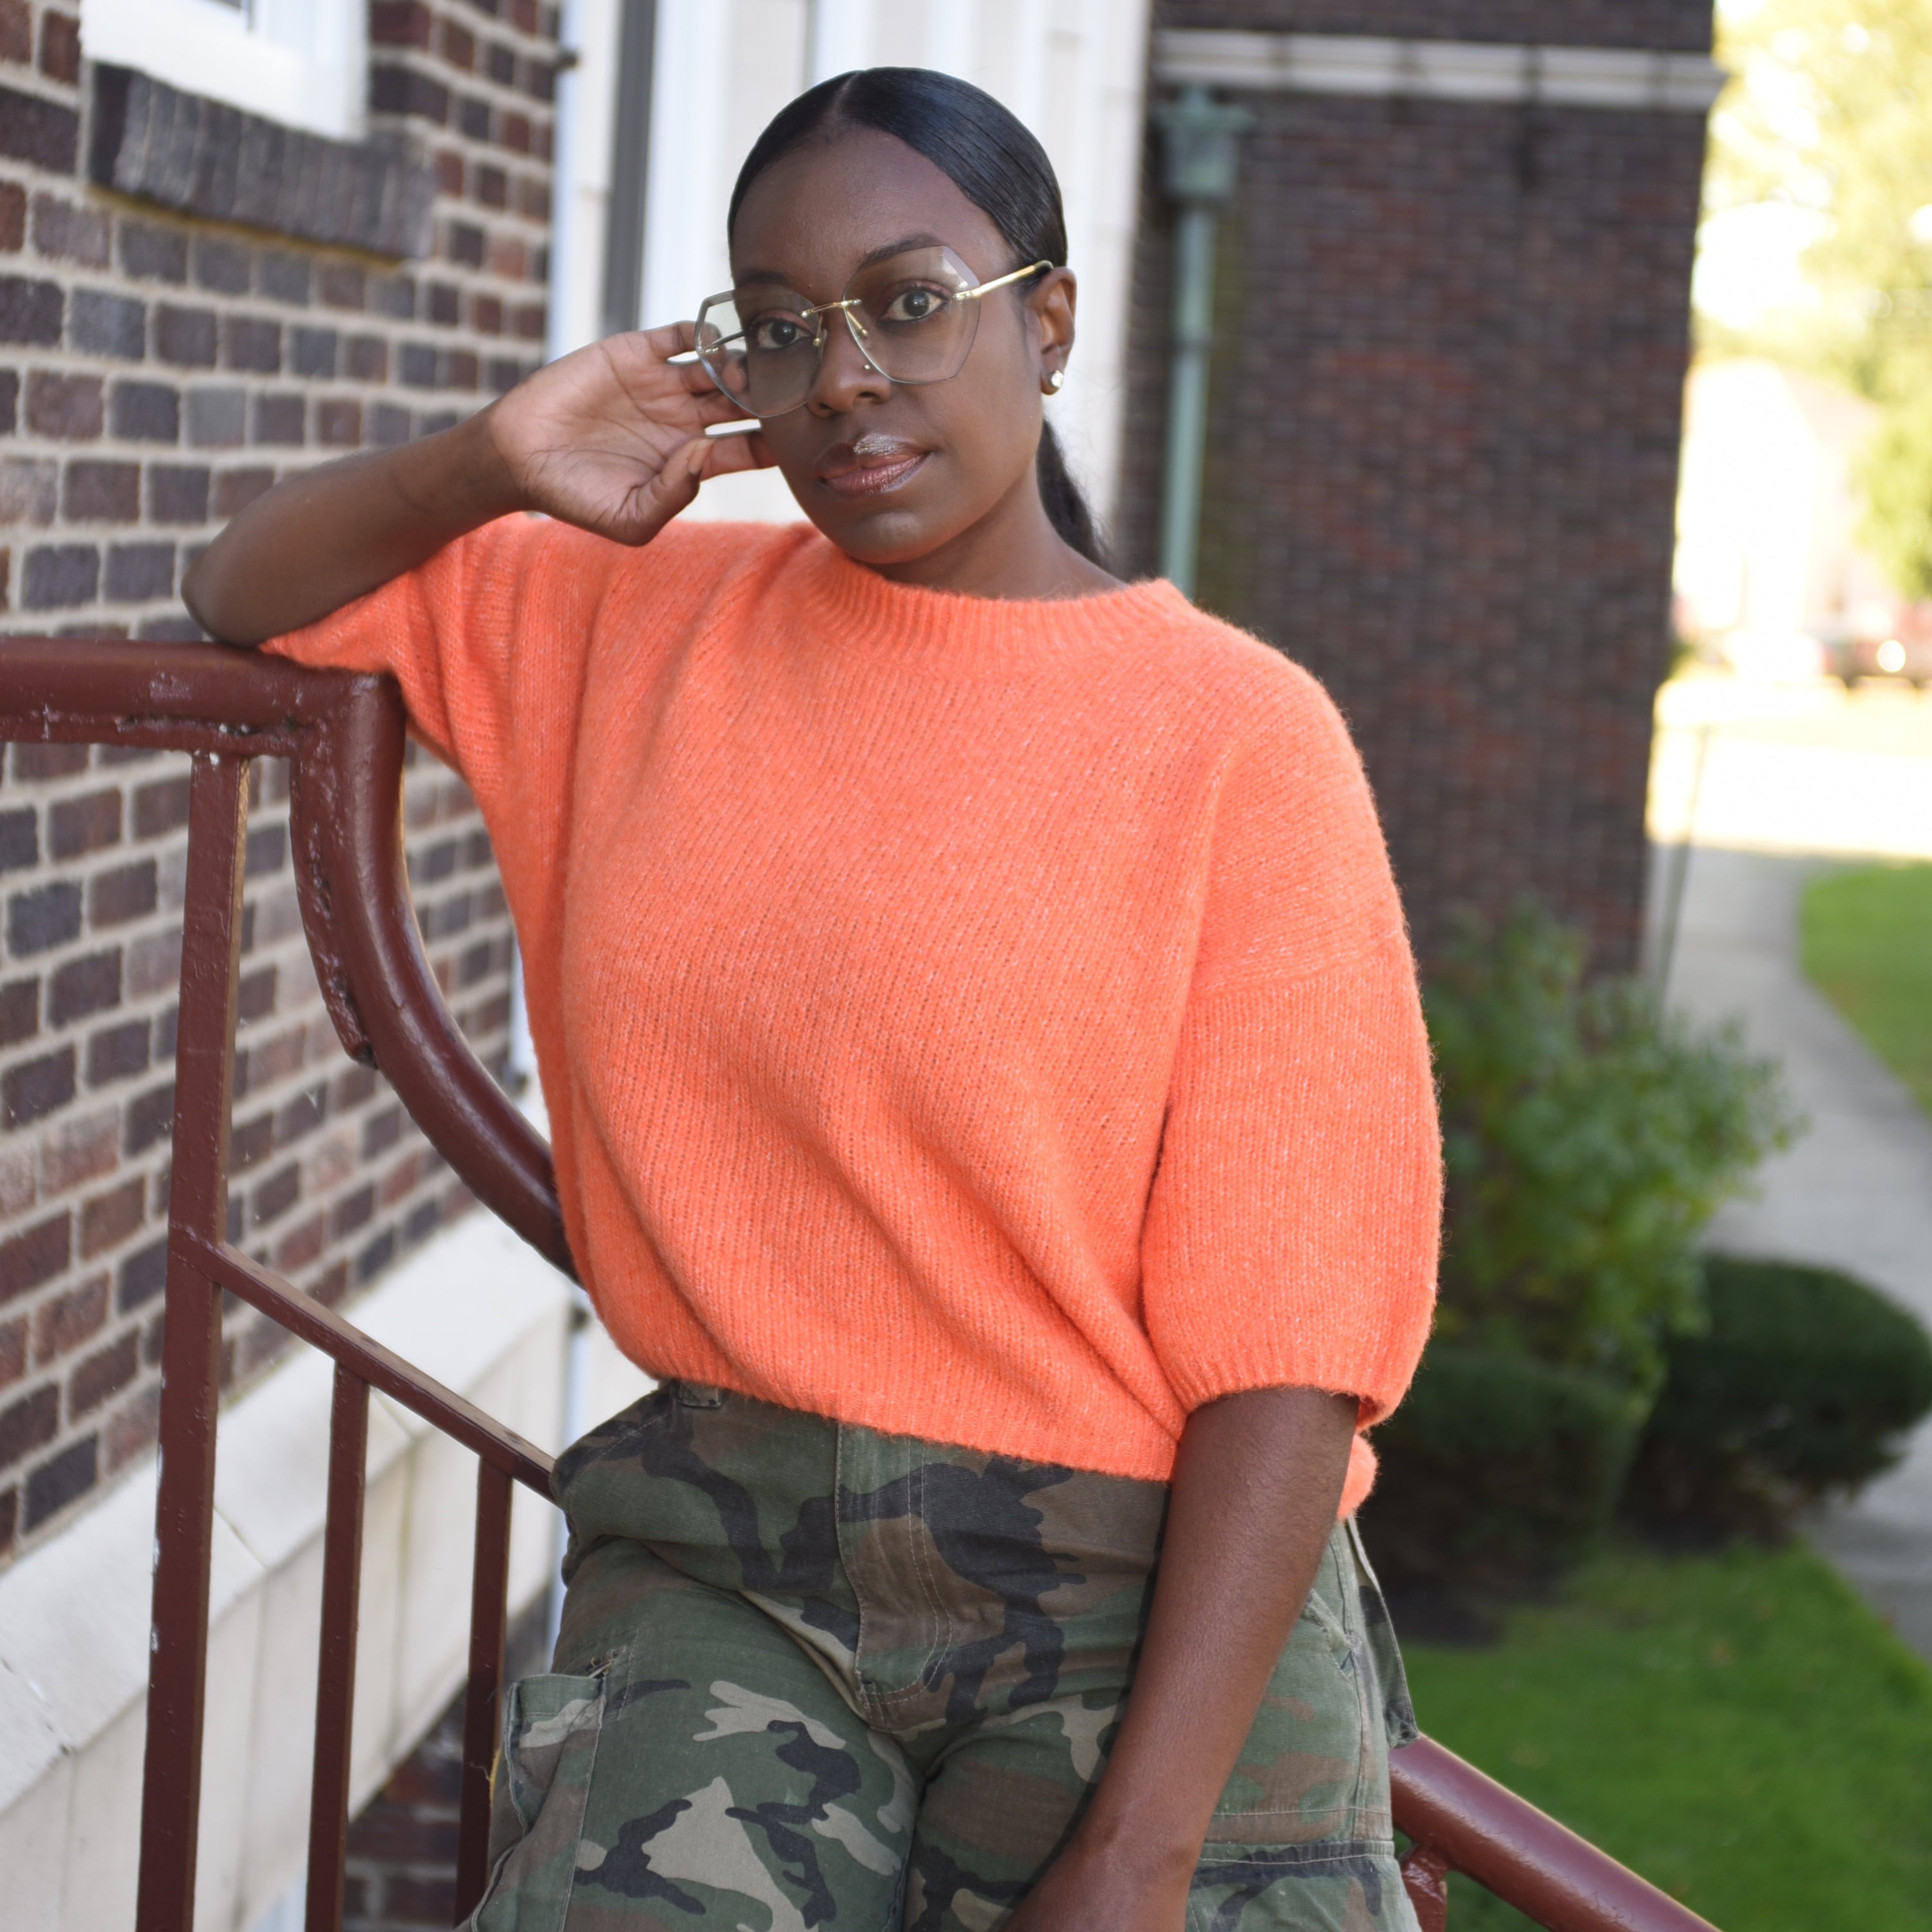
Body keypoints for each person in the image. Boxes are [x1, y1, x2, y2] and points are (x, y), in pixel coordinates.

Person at [185, 67, 1440, 1932]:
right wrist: (484, 463)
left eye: (911, 303)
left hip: (1131, 1577)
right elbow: (240, 593)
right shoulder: (623, 622)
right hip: (726, 1552)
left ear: (1053, 316)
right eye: (778, 332)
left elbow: (1294, 1335)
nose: (844, 377)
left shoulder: (1234, 737)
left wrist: (1139, 1848)